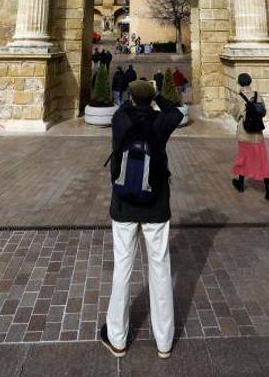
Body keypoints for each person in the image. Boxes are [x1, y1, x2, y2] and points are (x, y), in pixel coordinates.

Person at [101, 79, 183, 360]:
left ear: (130, 98)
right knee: (160, 270)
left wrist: (134, 98)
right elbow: (179, 111)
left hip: (124, 205)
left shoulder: (120, 119)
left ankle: (118, 339)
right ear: (151, 99)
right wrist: (158, 95)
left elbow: (124, 106)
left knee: (121, 270)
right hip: (156, 205)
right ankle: (164, 341)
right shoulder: (162, 121)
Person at [231, 73, 269, 202]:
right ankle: (268, 190)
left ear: (239, 83)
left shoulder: (238, 97)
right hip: (258, 134)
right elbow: (263, 112)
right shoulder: (258, 95)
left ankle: (240, 184)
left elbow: (234, 114)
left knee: (243, 158)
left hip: (245, 133)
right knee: (262, 161)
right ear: (250, 82)